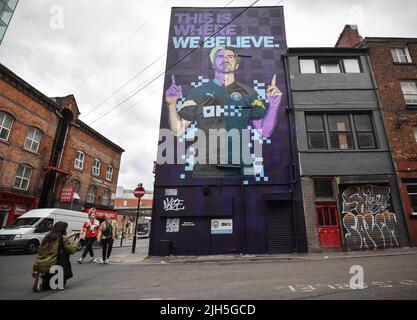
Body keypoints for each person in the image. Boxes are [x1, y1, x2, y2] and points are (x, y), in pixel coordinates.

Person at [165, 45, 282, 178]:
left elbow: (264, 131)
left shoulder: (249, 92)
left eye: (230, 57)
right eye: (220, 56)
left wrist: (273, 105)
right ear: (213, 64)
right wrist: (171, 104)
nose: (225, 59)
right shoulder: (197, 92)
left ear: (236, 65)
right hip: (206, 169)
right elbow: (178, 130)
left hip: (243, 169)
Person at [32, 221, 80, 291]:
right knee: (59, 285)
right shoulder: (63, 238)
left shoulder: (48, 236)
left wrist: (71, 235)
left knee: (47, 285)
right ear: (63, 229)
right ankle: (50, 282)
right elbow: (72, 250)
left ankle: (42, 278)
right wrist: (76, 243)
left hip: (43, 264)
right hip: (56, 265)